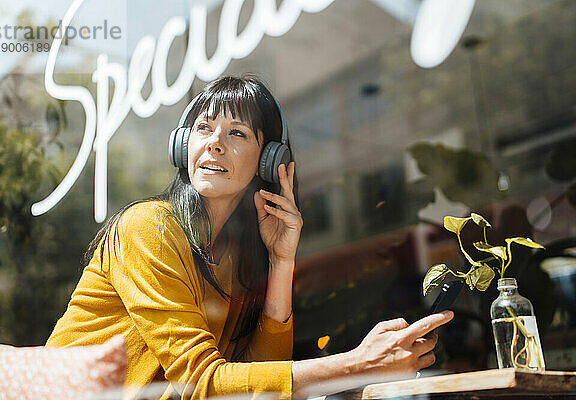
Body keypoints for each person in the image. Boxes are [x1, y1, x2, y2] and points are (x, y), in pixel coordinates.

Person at [46, 75, 453, 400]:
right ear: (182, 147)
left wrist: (281, 261)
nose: (214, 144)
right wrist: (357, 364)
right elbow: (202, 384)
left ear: (269, 158)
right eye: (203, 129)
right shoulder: (148, 228)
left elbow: (260, 379)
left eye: (237, 133)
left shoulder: (238, 255)